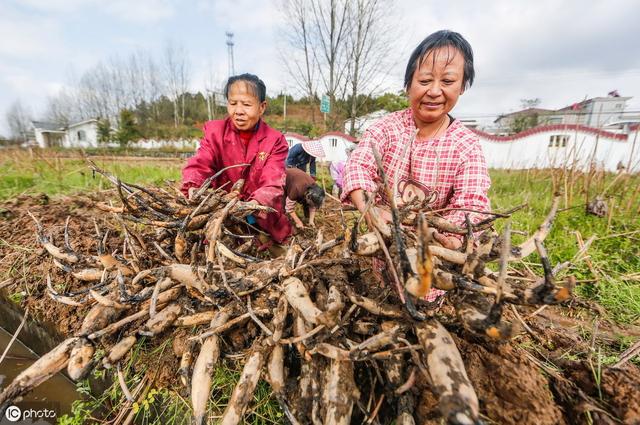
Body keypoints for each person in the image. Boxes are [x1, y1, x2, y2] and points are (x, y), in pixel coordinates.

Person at [341, 30, 491, 301]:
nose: (434, 91)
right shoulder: (386, 129)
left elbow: (473, 203)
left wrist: (449, 238)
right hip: (382, 257)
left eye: (447, 81)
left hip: (433, 267)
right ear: (409, 83)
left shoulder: (466, 146)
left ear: (462, 86)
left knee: (424, 308)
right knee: (380, 298)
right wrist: (371, 208)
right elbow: (358, 166)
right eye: (424, 80)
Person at [180, 73, 291, 244]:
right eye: (232, 104)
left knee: (269, 249)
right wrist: (193, 188)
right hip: (220, 214)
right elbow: (200, 164)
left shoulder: (275, 140)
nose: (238, 111)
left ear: (262, 107)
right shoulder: (214, 132)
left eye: (246, 104)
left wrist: (252, 205)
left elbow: (273, 181)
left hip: (260, 217)